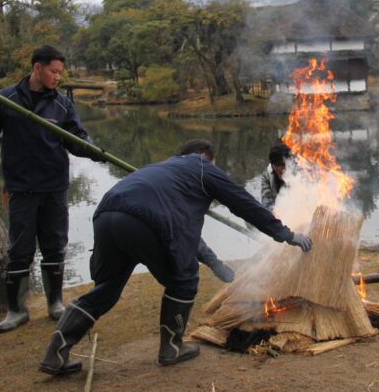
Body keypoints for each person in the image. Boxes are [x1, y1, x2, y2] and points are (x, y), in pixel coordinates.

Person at [38, 139, 312, 375]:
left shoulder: (163, 169)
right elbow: (245, 204)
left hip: (107, 214)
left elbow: (188, 236)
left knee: (107, 289)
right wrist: (287, 235)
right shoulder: (203, 168)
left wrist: (217, 264)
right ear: (206, 159)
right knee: (184, 278)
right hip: (146, 221)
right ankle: (171, 347)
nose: (214, 167)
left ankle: (56, 352)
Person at [0, 45, 101, 333]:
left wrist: (92, 150)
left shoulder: (62, 104)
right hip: (21, 187)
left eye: (60, 73)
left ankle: (55, 303)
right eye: (53, 71)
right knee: (20, 249)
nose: (57, 77)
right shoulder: (6, 98)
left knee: (55, 245)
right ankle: (16, 310)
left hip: (54, 185)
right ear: (37, 68)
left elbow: (75, 139)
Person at [260, 142, 291, 208]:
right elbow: (266, 202)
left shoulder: (299, 172)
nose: (279, 168)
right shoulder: (266, 176)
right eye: (276, 165)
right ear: (272, 165)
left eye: (282, 164)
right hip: (278, 211)